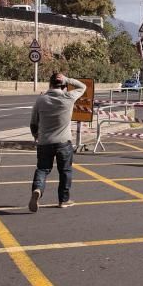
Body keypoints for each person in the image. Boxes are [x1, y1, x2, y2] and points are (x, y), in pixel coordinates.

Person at [29, 73, 86, 212]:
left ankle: (37, 189)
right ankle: (63, 200)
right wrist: (68, 79)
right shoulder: (69, 97)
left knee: (42, 169)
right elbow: (82, 86)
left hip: (44, 142)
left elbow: (33, 122)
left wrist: (36, 136)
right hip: (63, 142)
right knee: (65, 171)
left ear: (49, 84)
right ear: (65, 86)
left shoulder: (41, 100)